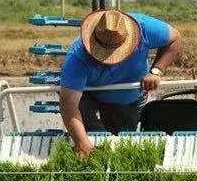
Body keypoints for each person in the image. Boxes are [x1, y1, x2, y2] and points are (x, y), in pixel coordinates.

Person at [59, 9, 182, 157]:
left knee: (121, 144)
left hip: (127, 96)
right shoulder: (77, 58)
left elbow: (175, 39)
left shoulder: (145, 28)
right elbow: (69, 105)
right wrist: (82, 142)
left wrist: (156, 71)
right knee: (90, 137)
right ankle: (89, 147)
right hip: (87, 95)